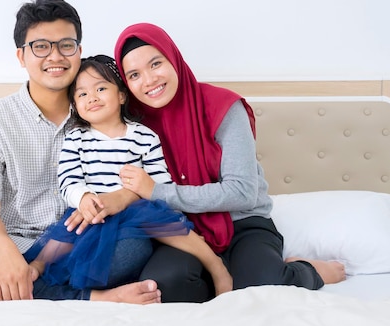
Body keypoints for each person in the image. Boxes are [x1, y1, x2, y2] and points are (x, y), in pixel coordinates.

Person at [0, 0, 161, 305]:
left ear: (78, 51)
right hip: (18, 247)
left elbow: (147, 182)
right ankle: (92, 298)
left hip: (84, 245)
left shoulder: (103, 111)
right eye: (40, 47)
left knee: (136, 247)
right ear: (21, 56)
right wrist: (5, 254)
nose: (55, 56)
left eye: (66, 45)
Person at [112, 22, 346, 302]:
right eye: (134, 74)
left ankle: (303, 270)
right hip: (183, 229)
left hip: (243, 223)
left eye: (155, 64)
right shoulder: (133, 125)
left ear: (173, 58)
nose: (149, 80)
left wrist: (157, 192)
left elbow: (242, 192)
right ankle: (225, 276)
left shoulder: (222, 107)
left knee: (261, 286)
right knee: (164, 285)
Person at [27, 55, 233, 296]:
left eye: (101, 88)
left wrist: (143, 199)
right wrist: (83, 198)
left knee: (161, 221)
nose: (92, 97)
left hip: (136, 211)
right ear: (75, 104)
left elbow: (160, 184)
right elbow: (68, 180)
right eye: (82, 94)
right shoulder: (76, 138)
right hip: (93, 211)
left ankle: (214, 265)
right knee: (69, 227)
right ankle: (37, 266)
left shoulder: (144, 137)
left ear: (122, 95)